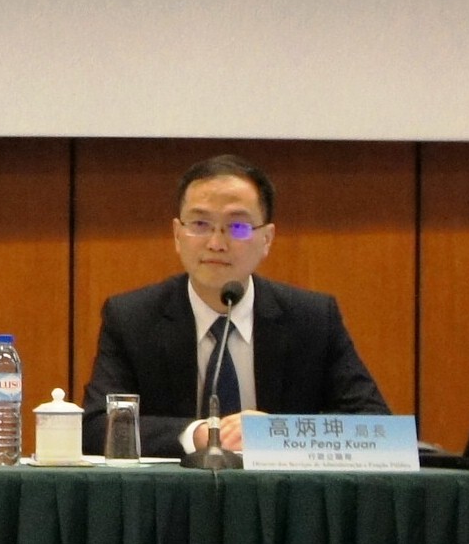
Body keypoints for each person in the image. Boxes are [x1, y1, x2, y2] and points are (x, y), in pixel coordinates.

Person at [82, 154, 387, 457]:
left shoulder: (312, 319)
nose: (216, 243)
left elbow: (376, 425)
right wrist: (198, 434)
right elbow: (96, 427)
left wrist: (277, 432)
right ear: (177, 235)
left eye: (238, 227)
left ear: (267, 239)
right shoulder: (132, 318)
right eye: (200, 224)